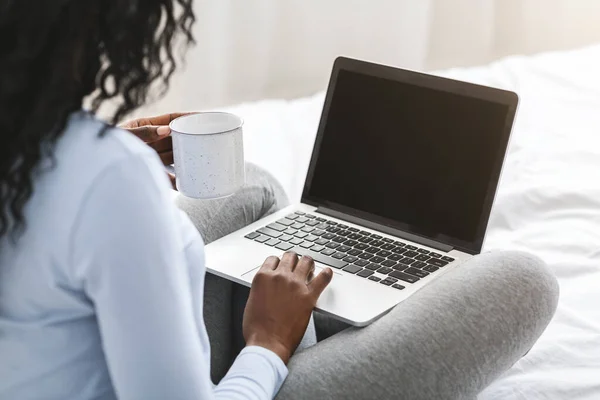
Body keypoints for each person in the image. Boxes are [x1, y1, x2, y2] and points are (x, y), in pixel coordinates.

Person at [0, 1, 559, 399]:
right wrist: (268, 343)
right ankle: (331, 324)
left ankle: (342, 306)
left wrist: (113, 145)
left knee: (255, 185)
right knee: (525, 280)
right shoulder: (107, 182)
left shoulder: (36, 148)